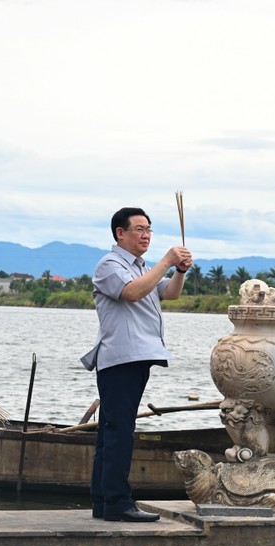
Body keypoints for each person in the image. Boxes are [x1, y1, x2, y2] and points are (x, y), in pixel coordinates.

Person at [81, 207, 192, 522]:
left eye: (149, 230)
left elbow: (167, 293)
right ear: (120, 233)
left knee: (112, 430)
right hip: (120, 357)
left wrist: (179, 270)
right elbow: (131, 293)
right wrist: (167, 261)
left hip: (138, 356)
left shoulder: (142, 267)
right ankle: (117, 501)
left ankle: (104, 502)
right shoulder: (110, 265)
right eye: (139, 229)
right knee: (119, 431)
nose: (146, 235)